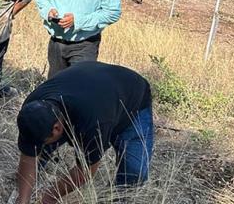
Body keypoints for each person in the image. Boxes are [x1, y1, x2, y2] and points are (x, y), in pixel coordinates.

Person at [14, 62, 154, 204]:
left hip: (132, 101)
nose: (34, 147)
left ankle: (116, 200)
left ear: (57, 128)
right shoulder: (32, 108)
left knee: (135, 173)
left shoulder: (92, 123)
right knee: (39, 152)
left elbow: (85, 171)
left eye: (41, 141)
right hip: (95, 88)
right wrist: (23, 200)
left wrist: (49, 197)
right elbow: (28, 156)